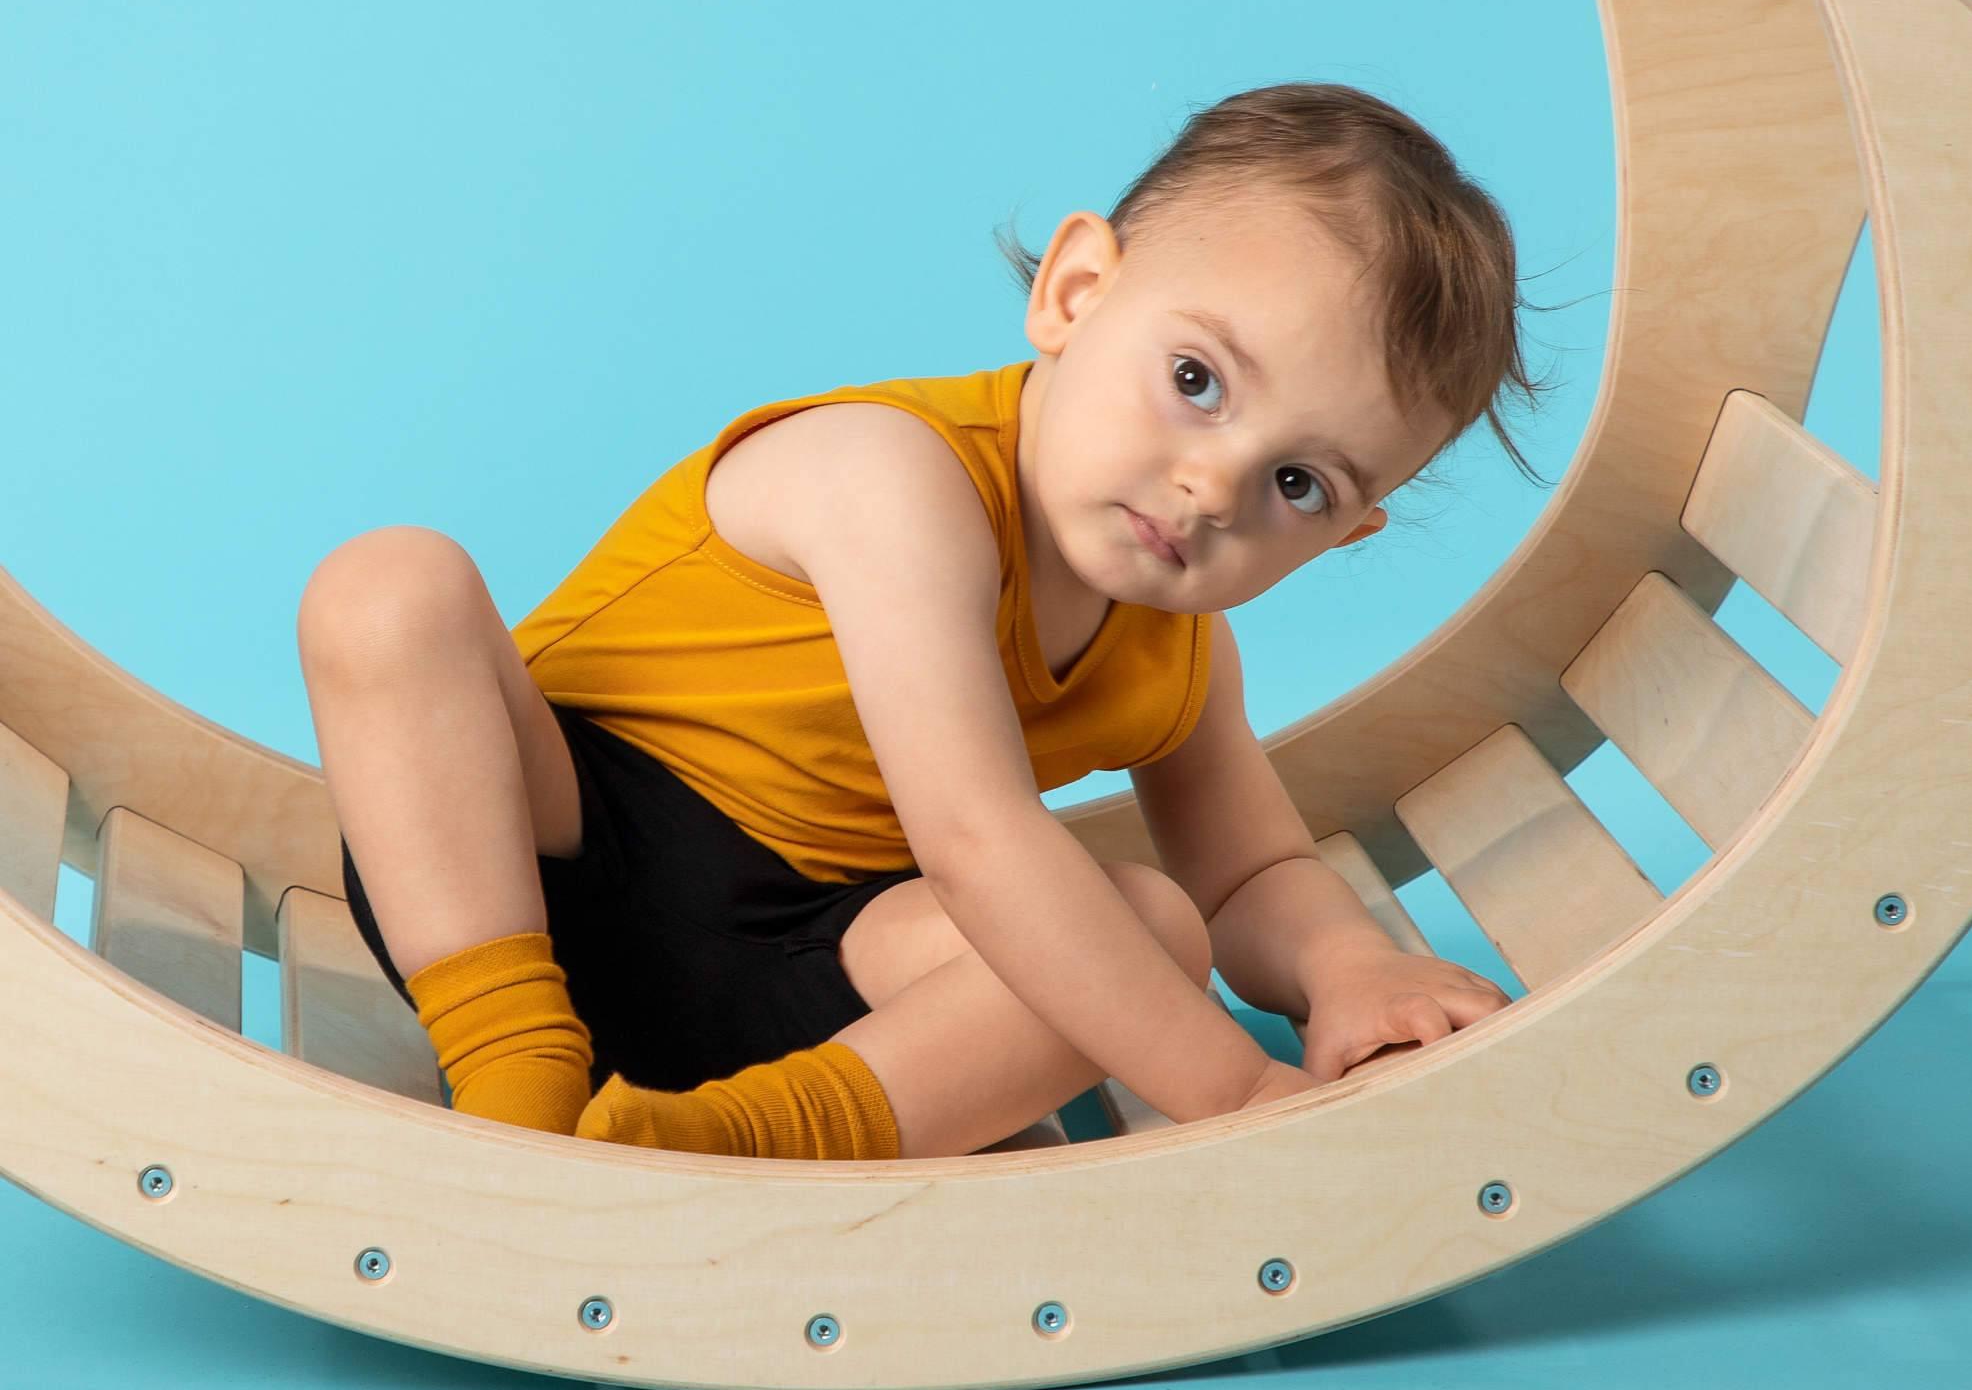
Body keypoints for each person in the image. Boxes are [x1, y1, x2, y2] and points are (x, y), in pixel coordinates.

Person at [298, 82, 1552, 1162]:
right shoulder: (891, 475)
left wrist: (1345, 966)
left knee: (1149, 930)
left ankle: (742, 1138)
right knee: (390, 584)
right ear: (1073, 293)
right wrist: (1236, 1089)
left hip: (808, 965)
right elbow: (974, 837)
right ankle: (515, 1086)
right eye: (1195, 382)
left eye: (1298, 484)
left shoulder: (1175, 649)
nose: (1210, 486)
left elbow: (1244, 874)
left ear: (1343, 535)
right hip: (543, 858)